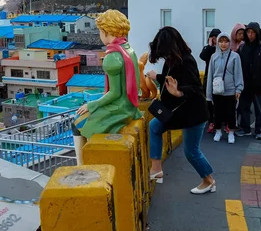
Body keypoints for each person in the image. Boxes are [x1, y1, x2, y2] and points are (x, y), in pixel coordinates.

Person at [146, 27, 215, 194]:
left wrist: (179, 92)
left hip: (193, 114)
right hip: (179, 112)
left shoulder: (186, 60)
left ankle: (209, 180)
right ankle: (156, 169)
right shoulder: (173, 60)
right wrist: (159, 78)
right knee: (154, 126)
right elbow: (173, 79)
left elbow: (196, 88)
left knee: (191, 152)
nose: (164, 56)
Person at [73, 10, 143, 165]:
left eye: (100, 31)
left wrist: (91, 105)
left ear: (106, 31)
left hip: (120, 108)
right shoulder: (128, 50)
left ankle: (81, 164)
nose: (99, 34)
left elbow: (114, 93)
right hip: (131, 105)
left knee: (77, 122)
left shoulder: (112, 57)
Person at [237, 22, 261, 139]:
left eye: (253, 32)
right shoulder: (242, 48)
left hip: (259, 85)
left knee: (259, 109)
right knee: (244, 108)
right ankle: (245, 128)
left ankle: (259, 131)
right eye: (248, 32)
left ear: (257, 33)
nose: (250, 35)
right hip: (245, 85)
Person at [205, 32, 244, 144]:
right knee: (217, 113)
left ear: (229, 42)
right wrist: (209, 94)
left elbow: (238, 74)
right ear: (217, 43)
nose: (223, 44)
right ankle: (218, 131)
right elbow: (210, 75)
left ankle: (231, 132)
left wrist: (239, 89)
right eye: (221, 41)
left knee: (231, 113)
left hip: (230, 90)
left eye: (226, 41)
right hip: (217, 90)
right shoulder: (214, 57)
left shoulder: (235, 56)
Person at [200, 28, 222, 133]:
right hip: (208, 76)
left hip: (219, 78)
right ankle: (211, 122)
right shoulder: (208, 48)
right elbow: (202, 56)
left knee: (219, 101)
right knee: (208, 100)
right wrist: (209, 46)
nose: (215, 39)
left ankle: (219, 121)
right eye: (213, 37)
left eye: (217, 37)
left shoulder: (221, 48)